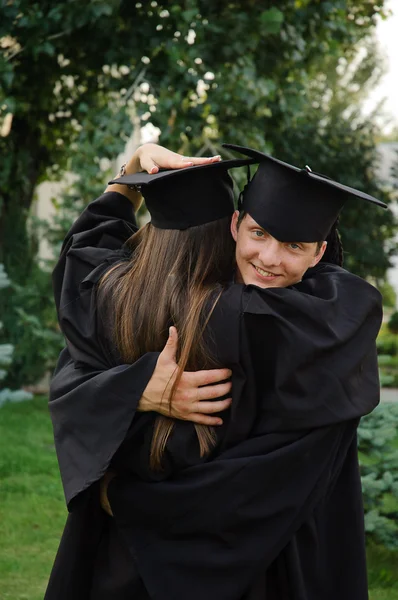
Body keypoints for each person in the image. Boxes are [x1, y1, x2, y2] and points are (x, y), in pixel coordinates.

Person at [45, 143, 384, 600]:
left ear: (317, 251)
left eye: (293, 245)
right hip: (266, 564)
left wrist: (130, 173)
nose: (268, 258)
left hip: (127, 562)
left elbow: (83, 254)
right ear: (233, 227)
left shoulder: (111, 302)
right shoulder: (309, 331)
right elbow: (355, 302)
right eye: (260, 234)